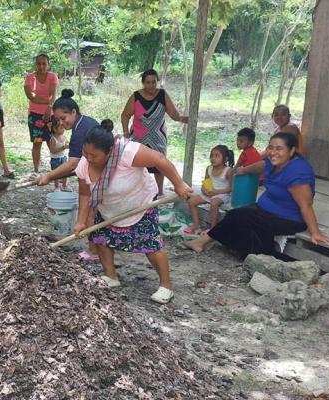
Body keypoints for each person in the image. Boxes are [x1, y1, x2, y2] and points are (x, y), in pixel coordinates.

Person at [73, 125, 192, 304]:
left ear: (109, 151)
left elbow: (159, 159)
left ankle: (166, 286)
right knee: (101, 239)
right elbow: (85, 194)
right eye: (86, 153)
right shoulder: (84, 165)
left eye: (94, 156)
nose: (89, 159)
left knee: (150, 244)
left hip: (140, 204)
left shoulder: (127, 152)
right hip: (109, 209)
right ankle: (110, 276)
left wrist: (179, 184)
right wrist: (81, 221)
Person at [184, 132, 329, 256]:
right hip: (265, 210)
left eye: (279, 149)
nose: (273, 152)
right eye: (271, 148)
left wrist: (315, 232)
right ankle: (257, 254)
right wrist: (243, 169)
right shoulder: (272, 160)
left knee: (239, 216)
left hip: (288, 219)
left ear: (292, 151)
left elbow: (306, 205)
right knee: (238, 218)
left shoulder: (297, 172)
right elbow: (260, 165)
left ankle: (201, 242)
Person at [36, 89, 100, 261]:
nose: (62, 124)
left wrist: (49, 176)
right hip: (96, 169)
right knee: (92, 210)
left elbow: (73, 163)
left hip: (100, 172)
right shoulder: (85, 122)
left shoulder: (80, 131)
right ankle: (94, 249)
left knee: (91, 211)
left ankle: (94, 252)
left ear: (73, 112)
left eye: (64, 119)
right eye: (58, 120)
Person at [120, 68, 189, 197]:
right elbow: (125, 115)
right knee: (136, 164)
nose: (151, 85)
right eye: (148, 82)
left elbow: (173, 113)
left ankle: (159, 192)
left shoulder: (162, 95)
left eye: (153, 82)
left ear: (157, 82)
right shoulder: (136, 96)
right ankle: (138, 191)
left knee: (160, 165)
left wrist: (183, 119)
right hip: (138, 137)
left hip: (158, 136)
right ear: (143, 83)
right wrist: (125, 132)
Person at [184, 145, 234, 234]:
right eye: (211, 155)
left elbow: (230, 188)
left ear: (225, 159)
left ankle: (213, 228)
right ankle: (196, 224)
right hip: (209, 193)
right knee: (191, 201)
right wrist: (204, 190)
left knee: (214, 202)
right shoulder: (209, 168)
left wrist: (216, 192)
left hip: (223, 194)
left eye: (217, 156)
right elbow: (205, 182)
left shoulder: (228, 171)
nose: (213, 158)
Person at [24, 54, 59, 173]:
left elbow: (53, 95)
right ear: (35, 64)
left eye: (44, 63)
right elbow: (31, 96)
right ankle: (36, 170)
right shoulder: (30, 77)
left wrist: (49, 107)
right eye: (39, 63)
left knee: (52, 142)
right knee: (37, 143)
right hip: (34, 115)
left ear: (48, 64)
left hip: (51, 114)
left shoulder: (52, 77)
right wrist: (47, 101)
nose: (41, 66)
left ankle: (56, 170)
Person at [47, 117, 69, 191]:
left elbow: (66, 145)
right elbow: (53, 150)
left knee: (65, 172)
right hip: (55, 159)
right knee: (56, 174)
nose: (63, 129)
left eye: (63, 128)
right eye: (61, 128)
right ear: (55, 129)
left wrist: (67, 146)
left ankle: (64, 185)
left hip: (63, 157)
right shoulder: (53, 139)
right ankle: (57, 186)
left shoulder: (64, 137)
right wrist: (63, 148)